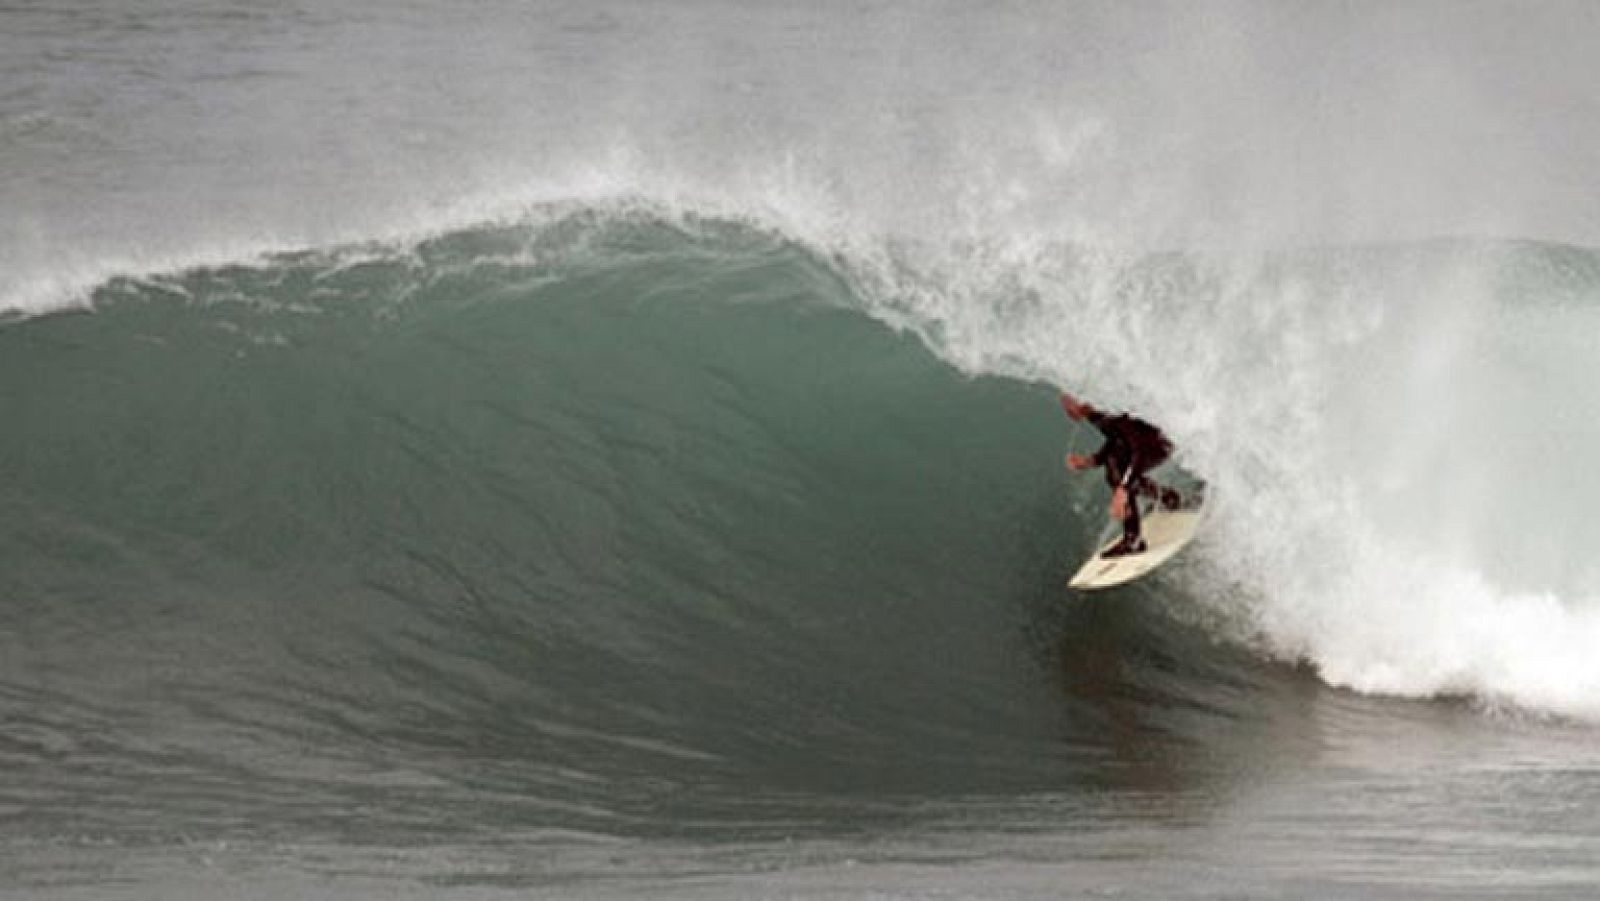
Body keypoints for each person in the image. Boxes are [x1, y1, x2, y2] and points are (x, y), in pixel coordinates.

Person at [1060, 391, 1182, 557]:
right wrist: (1091, 461)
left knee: (1116, 471)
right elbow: (1117, 440)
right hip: (1145, 442)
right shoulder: (1094, 412)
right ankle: (1167, 498)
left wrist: (1123, 489)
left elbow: (1137, 449)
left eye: (1068, 403)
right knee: (1114, 466)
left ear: (1080, 400)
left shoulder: (1109, 412)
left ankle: (1133, 541)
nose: (1066, 409)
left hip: (1158, 443)